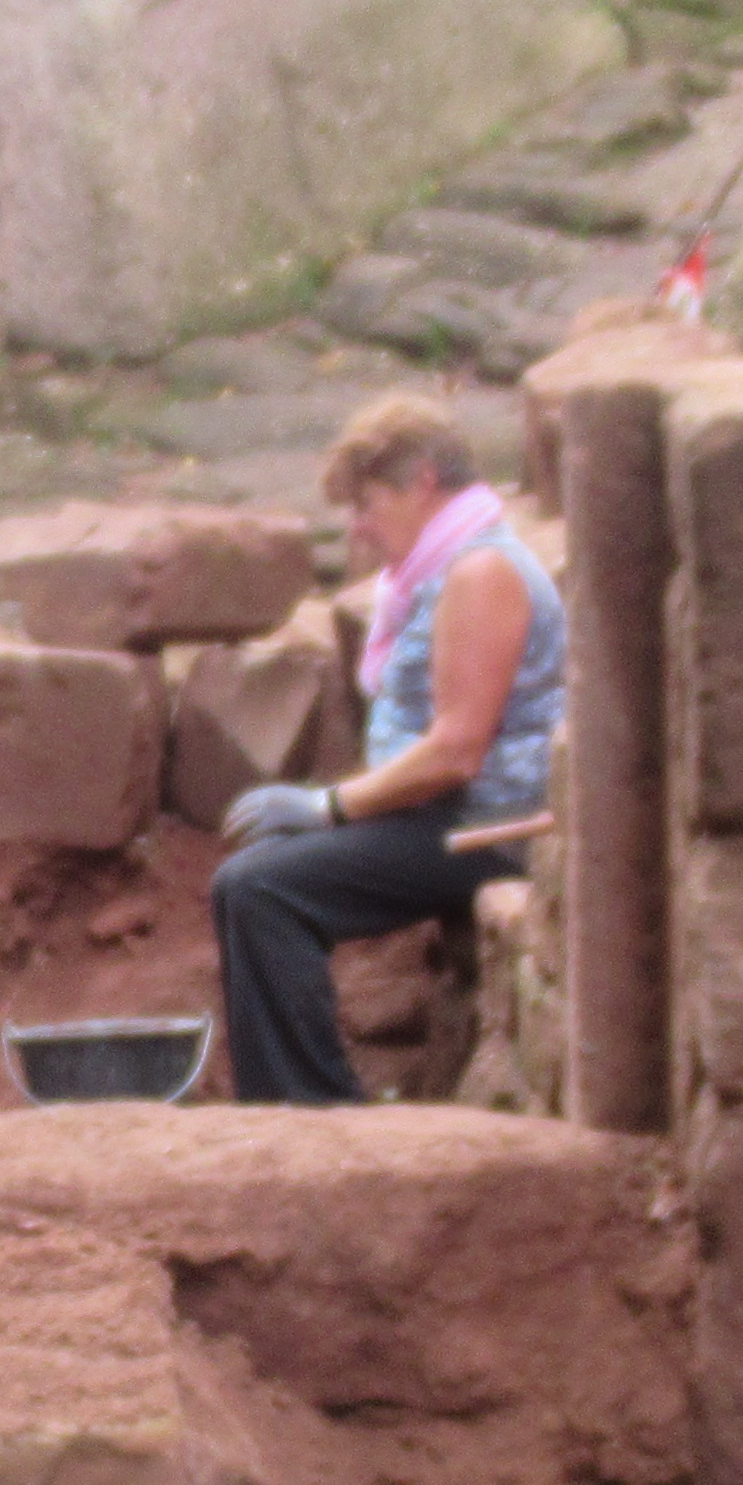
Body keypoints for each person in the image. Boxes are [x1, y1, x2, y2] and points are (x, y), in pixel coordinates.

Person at [208, 392, 562, 1105]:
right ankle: (289, 1101)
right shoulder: (442, 570)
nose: (359, 528)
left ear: (423, 482)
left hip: (490, 828)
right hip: (449, 815)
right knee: (249, 877)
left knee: (260, 889)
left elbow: (457, 751)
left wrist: (328, 806)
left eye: (367, 504)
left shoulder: (483, 573)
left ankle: (314, 1110)